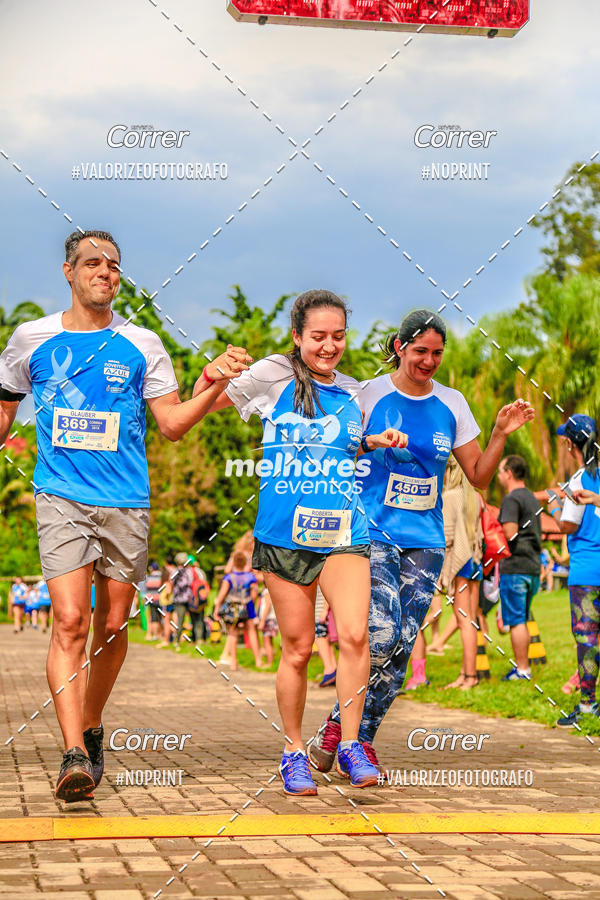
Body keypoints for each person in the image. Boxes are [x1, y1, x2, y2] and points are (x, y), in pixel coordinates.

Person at [0, 229, 250, 802]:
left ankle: (90, 723)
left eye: (113, 265)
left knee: (113, 625)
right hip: (60, 495)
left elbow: (172, 425)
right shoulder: (31, 338)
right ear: (69, 271)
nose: (104, 272)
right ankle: (72, 754)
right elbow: (5, 411)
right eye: (92, 262)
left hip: (126, 501)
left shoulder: (142, 343)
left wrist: (214, 381)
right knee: (69, 620)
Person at [308, 308, 534, 773]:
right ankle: (349, 736)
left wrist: (498, 433)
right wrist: (371, 443)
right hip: (372, 532)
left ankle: (350, 737)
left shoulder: (452, 403)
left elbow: (479, 477)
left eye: (436, 353)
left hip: (426, 541)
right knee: (381, 635)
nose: (429, 361)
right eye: (420, 351)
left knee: (402, 649)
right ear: (399, 347)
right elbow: (334, 451)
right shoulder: (368, 394)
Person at [196, 289, 405, 794]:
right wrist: (209, 374)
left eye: (338, 336)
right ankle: (293, 750)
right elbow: (208, 403)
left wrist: (372, 442)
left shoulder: (353, 390)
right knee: (298, 648)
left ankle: (351, 745)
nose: (329, 346)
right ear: (297, 336)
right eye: (318, 337)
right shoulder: (271, 374)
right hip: (283, 536)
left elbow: (338, 444)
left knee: (355, 636)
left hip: (344, 530)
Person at [545, 415, 600, 725]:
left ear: (569, 445)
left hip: (587, 571)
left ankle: (588, 705)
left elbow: (568, 525)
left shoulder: (578, 480)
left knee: (587, 639)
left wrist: (554, 506)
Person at [497, 455, 542, 681]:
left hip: (515, 566)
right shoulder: (532, 499)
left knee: (516, 621)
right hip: (533, 566)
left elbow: (510, 532)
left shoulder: (512, 498)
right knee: (522, 618)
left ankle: (522, 670)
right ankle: (524, 668)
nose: (498, 476)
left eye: (499, 471)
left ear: (509, 473)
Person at [213, 550, 259, 671]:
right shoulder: (251, 577)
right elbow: (254, 594)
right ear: (245, 563)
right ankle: (258, 660)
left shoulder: (229, 577)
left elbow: (222, 595)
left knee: (233, 633)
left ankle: (234, 661)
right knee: (251, 632)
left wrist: (217, 608)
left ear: (233, 563)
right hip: (247, 606)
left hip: (233, 608)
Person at [172, 552, 195, 650]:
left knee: (180, 621)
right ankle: (194, 639)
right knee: (193, 619)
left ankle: (177, 641)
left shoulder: (174, 571)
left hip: (178, 599)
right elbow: (191, 582)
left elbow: (171, 583)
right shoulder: (189, 571)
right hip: (189, 598)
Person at [315, 585, 337, 687]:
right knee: (326, 641)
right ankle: (332, 669)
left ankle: (329, 670)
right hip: (320, 613)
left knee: (320, 638)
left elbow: (329, 591)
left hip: (321, 614)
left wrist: (324, 610)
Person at [257, 586, 278, 667]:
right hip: (271, 619)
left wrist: (262, 620)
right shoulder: (270, 590)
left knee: (266, 641)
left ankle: (269, 662)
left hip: (268, 620)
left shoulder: (266, 591)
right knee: (269, 641)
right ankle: (271, 660)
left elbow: (267, 606)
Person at [143, 562, 163, 641]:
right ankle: (161, 634)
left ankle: (155, 635)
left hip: (151, 600)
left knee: (154, 618)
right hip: (160, 600)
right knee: (161, 618)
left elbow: (145, 589)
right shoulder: (161, 577)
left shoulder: (149, 577)